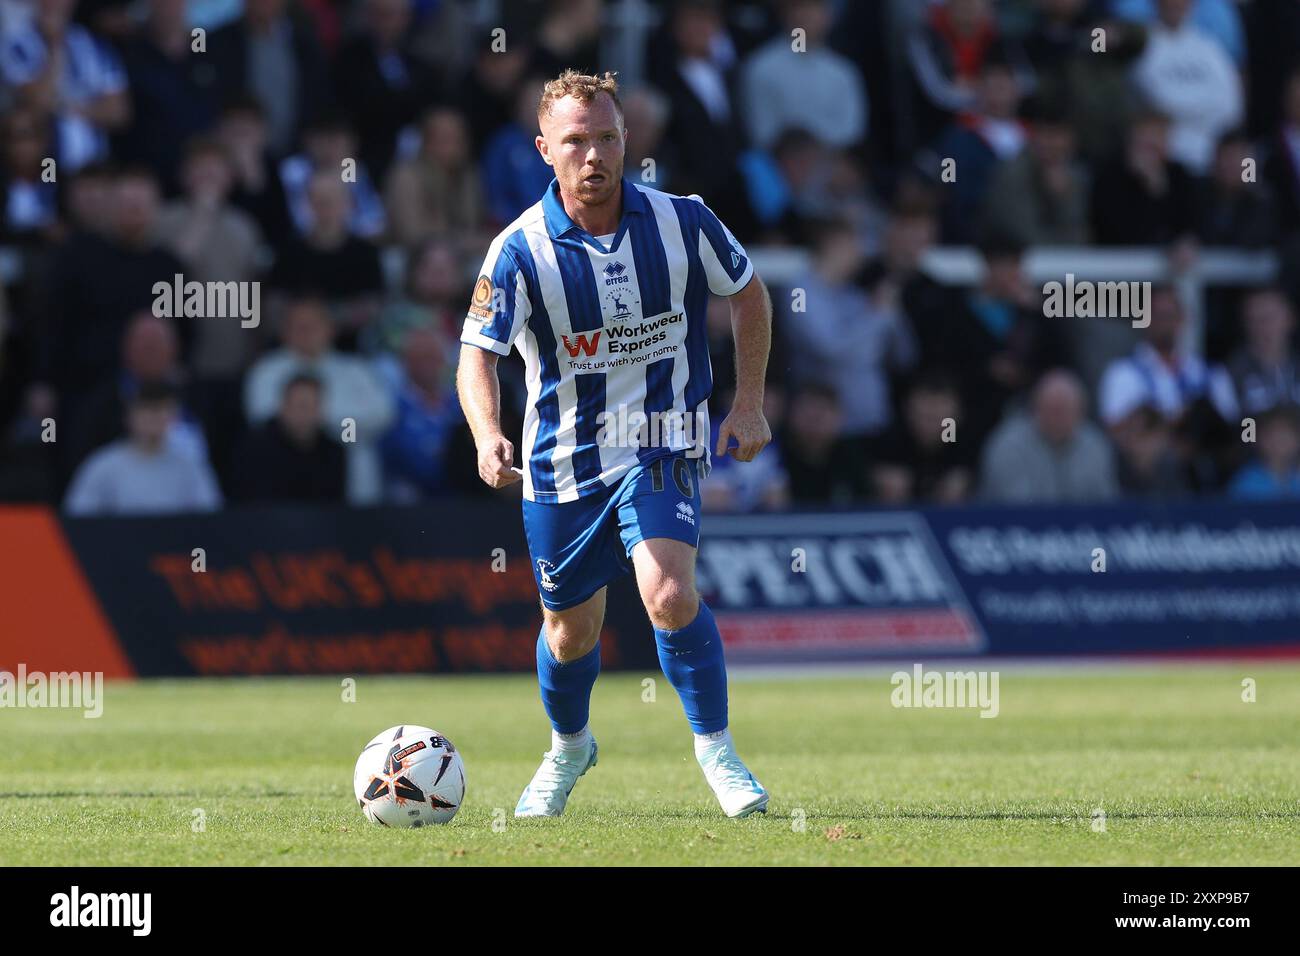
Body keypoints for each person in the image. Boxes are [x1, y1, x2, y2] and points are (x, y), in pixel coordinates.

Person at [456, 70, 773, 819]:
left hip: (664, 442)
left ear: (627, 140)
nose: (594, 154)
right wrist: (486, 433)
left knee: (667, 593)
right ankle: (568, 749)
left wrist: (749, 402)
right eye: (576, 141)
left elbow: (750, 292)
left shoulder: (685, 221)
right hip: (563, 462)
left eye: (607, 137)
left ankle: (718, 752)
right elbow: (477, 351)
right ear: (544, 150)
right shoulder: (516, 251)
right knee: (570, 632)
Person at [64, 381, 222, 516]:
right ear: (128, 417)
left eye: (161, 410)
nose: (153, 418)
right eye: (146, 410)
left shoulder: (189, 466)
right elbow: (79, 516)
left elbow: (209, 516)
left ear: (173, 417)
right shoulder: (103, 465)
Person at [980, 370, 1119, 503]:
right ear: (1035, 409)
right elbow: (1010, 506)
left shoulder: (1096, 446)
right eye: (1052, 410)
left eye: (1064, 410)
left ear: (1080, 412)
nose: (1057, 419)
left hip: (1082, 527)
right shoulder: (1008, 446)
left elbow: (1105, 504)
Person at [231, 373, 346, 503]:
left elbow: (333, 509)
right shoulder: (253, 449)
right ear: (283, 407)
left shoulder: (334, 452)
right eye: (300, 406)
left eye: (312, 406)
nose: (305, 414)